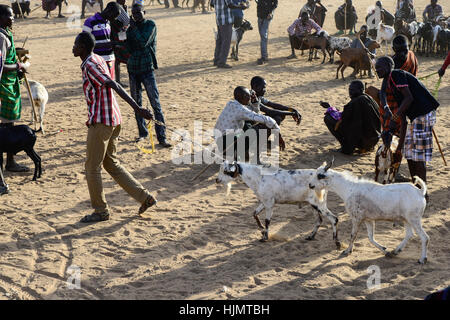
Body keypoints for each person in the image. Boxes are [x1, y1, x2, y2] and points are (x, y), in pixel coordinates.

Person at [72, 31, 157, 223]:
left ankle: (100, 211)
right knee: (111, 163)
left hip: (102, 121)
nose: (73, 47)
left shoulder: (91, 64)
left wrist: (138, 108)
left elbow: (113, 84)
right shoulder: (96, 59)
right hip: (113, 118)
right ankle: (145, 197)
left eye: (76, 44)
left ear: (83, 48)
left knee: (92, 167)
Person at [376, 56, 439, 192]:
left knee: (418, 155)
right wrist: (400, 146)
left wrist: (394, 117)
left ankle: (423, 191)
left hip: (424, 114)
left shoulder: (397, 74)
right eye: (376, 68)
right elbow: (403, 119)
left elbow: (409, 98)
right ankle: (416, 187)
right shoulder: (392, 84)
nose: (377, 70)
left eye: (379, 67)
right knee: (409, 153)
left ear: (388, 66)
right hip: (416, 117)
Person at [126, 3, 171, 147]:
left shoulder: (150, 25)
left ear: (144, 12)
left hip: (147, 68)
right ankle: (142, 133)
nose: (136, 16)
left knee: (155, 104)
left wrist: (132, 28)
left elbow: (143, 42)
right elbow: (129, 47)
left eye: (138, 13)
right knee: (137, 104)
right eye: (134, 14)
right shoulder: (130, 28)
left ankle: (162, 137)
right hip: (133, 69)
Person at [0, 4, 30, 173]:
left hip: (9, 84)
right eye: (10, 16)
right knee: (7, 125)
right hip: (4, 85)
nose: (13, 19)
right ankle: (9, 162)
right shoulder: (1, 37)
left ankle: (10, 160)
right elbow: (1, 65)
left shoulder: (6, 34)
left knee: (8, 123)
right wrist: (20, 66)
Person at [214, 86, 281, 162]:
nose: (250, 98)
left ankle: (241, 152)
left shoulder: (231, 103)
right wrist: (277, 131)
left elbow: (255, 113)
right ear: (243, 97)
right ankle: (246, 155)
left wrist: (255, 103)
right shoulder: (240, 109)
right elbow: (260, 117)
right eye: (248, 96)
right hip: (227, 144)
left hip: (221, 142)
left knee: (247, 124)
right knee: (257, 129)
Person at [322, 80, 381, 155]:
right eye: (350, 90)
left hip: (364, 141)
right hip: (374, 140)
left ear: (360, 90)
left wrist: (348, 148)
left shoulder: (355, 102)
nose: (350, 92)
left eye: (353, 90)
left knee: (328, 118)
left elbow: (346, 121)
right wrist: (329, 107)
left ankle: (346, 147)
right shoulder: (369, 98)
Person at [245, 76, 300, 153]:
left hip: (252, 124)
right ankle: (257, 145)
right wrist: (291, 113)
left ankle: (261, 141)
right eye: (263, 87)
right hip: (246, 129)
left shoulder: (258, 96)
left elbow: (273, 105)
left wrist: (291, 110)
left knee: (278, 116)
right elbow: (270, 111)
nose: (265, 90)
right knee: (275, 117)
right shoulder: (251, 97)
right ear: (255, 86)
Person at [82, 2, 121, 80]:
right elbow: (84, 42)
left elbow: (108, 39)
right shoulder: (90, 21)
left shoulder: (108, 22)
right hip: (97, 61)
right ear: (108, 10)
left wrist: (113, 45)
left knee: (110, 86)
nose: (114, 19)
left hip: (110, 59)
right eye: (114, 16)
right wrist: (107, 44)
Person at [212, 0, 248, 69]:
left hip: (219, 19)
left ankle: (216, 60)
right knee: (226, 42)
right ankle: (222, 62)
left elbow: (212, 4)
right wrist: (240, 7)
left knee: (220, 41)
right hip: (226, 20)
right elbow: (230, 5)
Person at [110, 0, 130, 87]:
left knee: (119, 59)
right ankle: (118, 81)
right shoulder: (115, 8)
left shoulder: (124, 7)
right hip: (116, 35)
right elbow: (113, 21)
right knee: (120, 58)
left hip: (122, 35)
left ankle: (119, 80)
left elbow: (126, 21)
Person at [256, 0, 277, 65]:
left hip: (267, 16)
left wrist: (271, 12)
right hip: (260, 15)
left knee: (263, 36)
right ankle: (265, 55)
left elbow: (275, 4)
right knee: (263, 36)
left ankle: (264, 57)